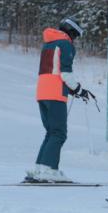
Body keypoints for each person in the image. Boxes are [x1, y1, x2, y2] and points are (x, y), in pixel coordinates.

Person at [26, 17, 90, 183]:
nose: (74, 39)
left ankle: (41, 168)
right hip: (55, 93)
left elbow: (54, 71)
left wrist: (71, 89)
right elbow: (65, 74)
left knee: (51, 132)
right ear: (70, 31)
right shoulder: (65, 44)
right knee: (59, 133)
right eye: (75, 35)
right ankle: (48, 169)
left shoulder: (49, 43)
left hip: (42, 92)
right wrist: (78, 89)